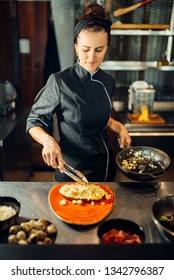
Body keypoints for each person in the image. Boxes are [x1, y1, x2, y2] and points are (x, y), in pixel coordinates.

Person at [26, 3, 131, 182]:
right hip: (72, 172)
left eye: (99, 50)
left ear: (107, 47)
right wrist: (48, 140)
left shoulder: (108, 81)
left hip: (106, 169)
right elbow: (33, 121)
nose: (91, 57)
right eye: (85, 49)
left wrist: (116, 125)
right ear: (76, 46)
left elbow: (97, 114)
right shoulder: (60, 81)